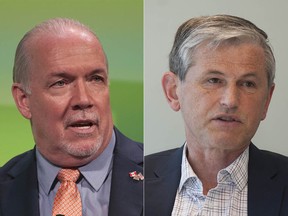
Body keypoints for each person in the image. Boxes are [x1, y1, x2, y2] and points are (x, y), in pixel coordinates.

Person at [145, 14, 288, 216]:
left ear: (267, 99)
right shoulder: (134, 180)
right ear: (173, 91)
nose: (230, 101)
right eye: (213, 80)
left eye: (248, 84)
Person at [0, 18, 143, 216]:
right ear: (24, 100)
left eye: (95, 79)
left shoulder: (162, 176)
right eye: (61, 83)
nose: (83, 99)